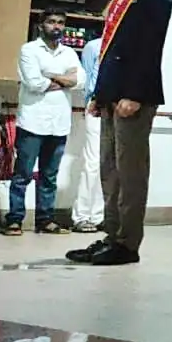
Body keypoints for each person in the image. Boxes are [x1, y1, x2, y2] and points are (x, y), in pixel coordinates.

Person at [67, 0, 172, 267]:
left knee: (130, 172)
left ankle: (128, 243)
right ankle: (111, 234)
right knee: (110, 169)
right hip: (114, 92)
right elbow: (112, 47)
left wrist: (133, 93)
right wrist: (102, 92)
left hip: (134, 95)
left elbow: (148, 47)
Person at [8, 9, 83, 236]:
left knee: (49, 177)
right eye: (51, 22)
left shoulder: (69, 52)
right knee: (23, 174)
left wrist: (50, 75)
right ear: (42, 25)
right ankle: (15, 220)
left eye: (60, 23)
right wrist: (64, 79)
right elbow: (33, 82)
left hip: (59, 123)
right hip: (32, 121)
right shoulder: (29, 50)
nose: (56, 27)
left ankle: (45, 220)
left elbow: (80, 81)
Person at [71, 36, 105, 233]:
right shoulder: (93, 46)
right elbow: (87, 79)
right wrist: (91, 103)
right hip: (96, 107)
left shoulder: (128, 42)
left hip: (119, 109)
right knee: (92, 164)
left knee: (108, 164)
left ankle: (98, 216)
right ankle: (82, 216)